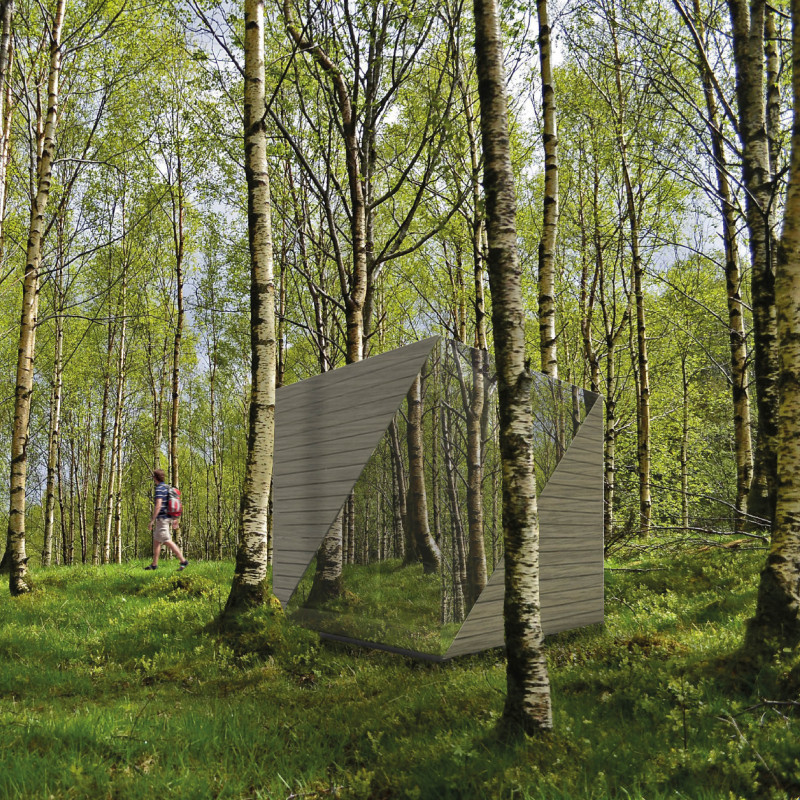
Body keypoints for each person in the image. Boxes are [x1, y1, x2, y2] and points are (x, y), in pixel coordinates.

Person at [145, 469, 189, 571]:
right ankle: (154, 564)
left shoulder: (159, 489)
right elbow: (173, 502)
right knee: (156, 541)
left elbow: (159, 505)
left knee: (167, 541)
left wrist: (152, 520)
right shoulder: (167, 487)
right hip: (167, 517)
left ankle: (183, 561)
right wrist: (175, 518)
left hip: (162, 519)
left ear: (155, 478)